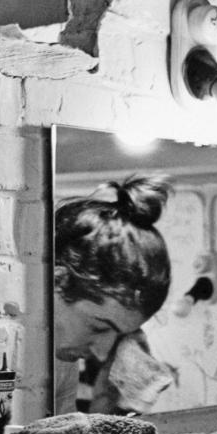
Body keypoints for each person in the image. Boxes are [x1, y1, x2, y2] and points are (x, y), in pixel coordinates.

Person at [52, 174, 173, 412]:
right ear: (58, 281)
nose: (102, 353)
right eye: (98, 327)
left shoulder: (63, 361)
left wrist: (107, 402)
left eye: (117, 336)